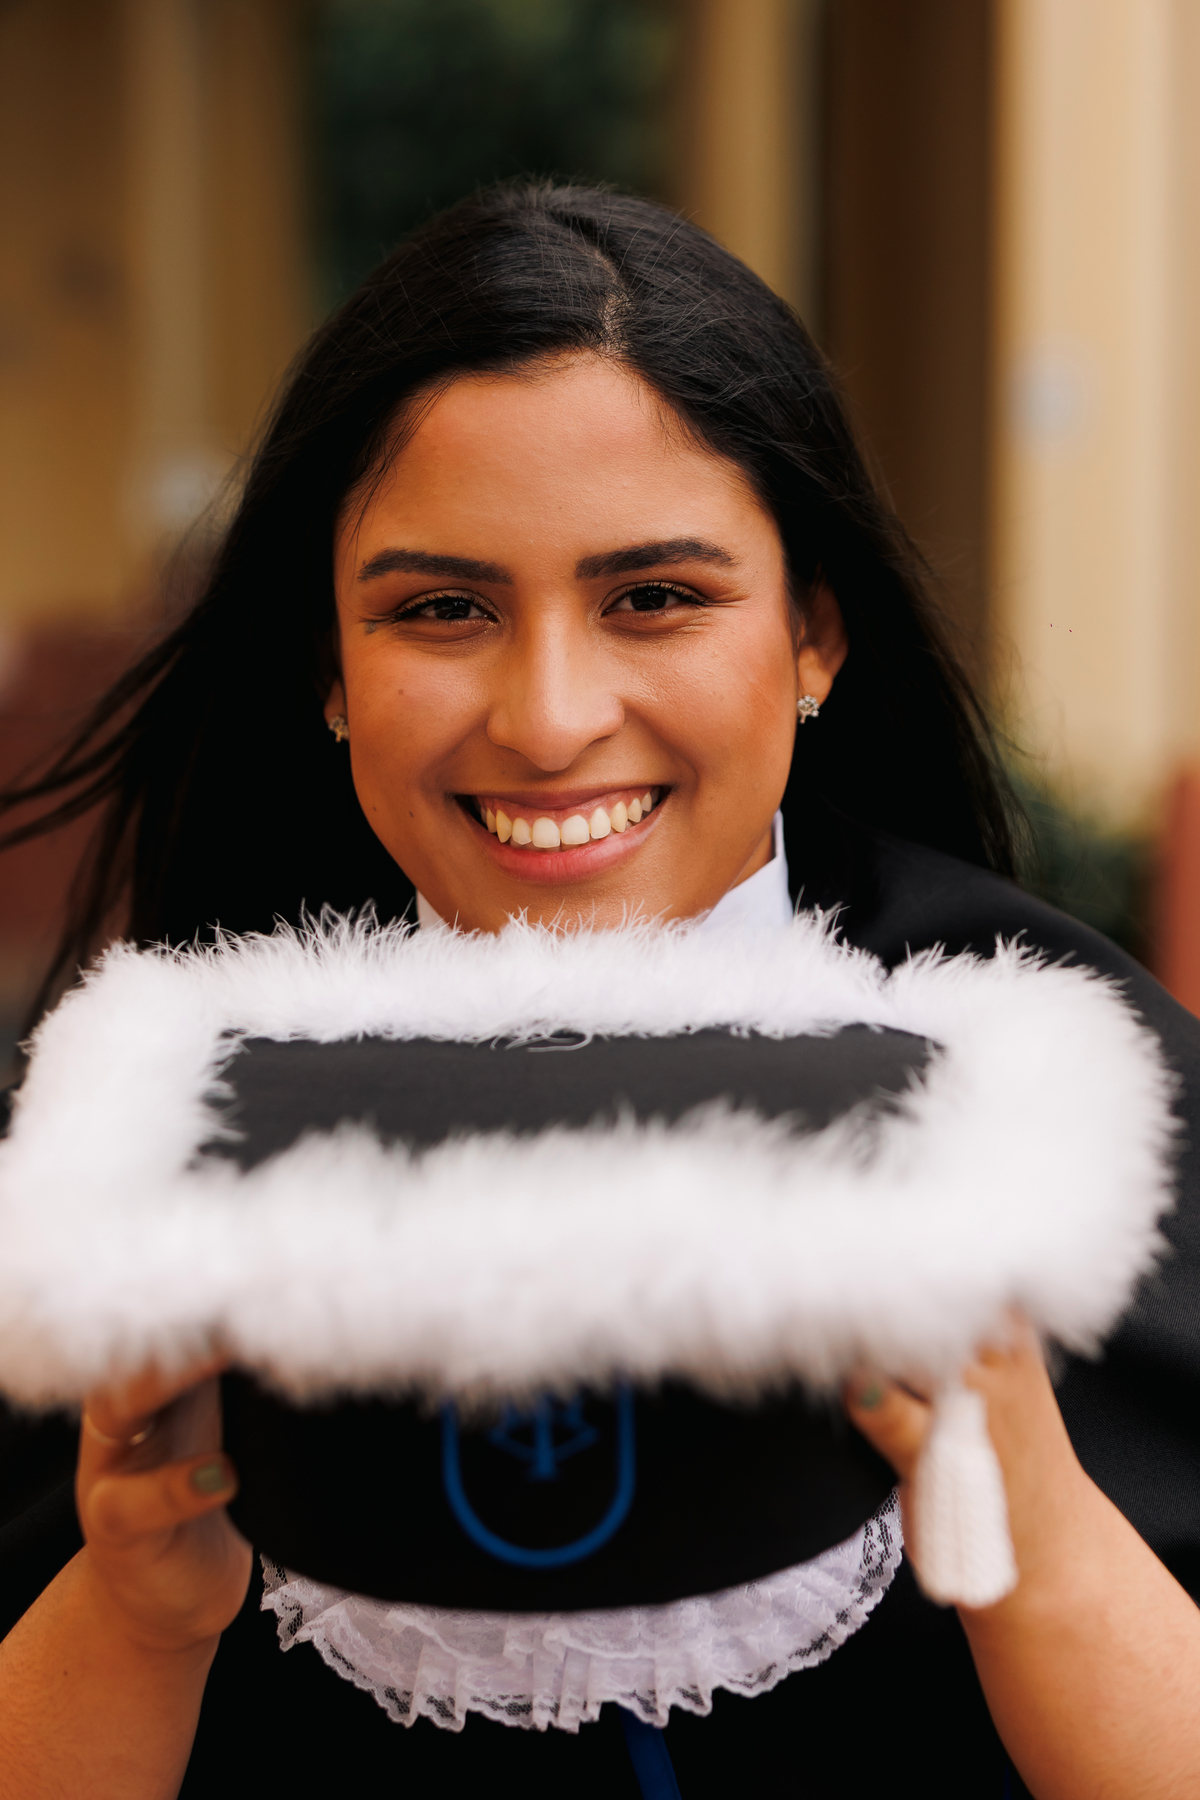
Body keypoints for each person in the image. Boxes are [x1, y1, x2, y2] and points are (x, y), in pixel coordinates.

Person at [0, 182, 1199, 1800]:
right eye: (443, 611)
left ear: (814, 631)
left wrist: (1036, 1537)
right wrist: (135, 1613)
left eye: (655, 599)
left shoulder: (1064, 1098)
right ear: (329, 666)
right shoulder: (142, 1129)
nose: (552, 719)